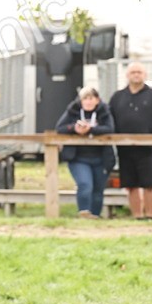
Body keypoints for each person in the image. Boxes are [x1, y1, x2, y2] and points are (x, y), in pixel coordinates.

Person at [108, 62, 152, 220]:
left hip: (147, 149)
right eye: (133, 72)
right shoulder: (117, 97)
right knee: (131, 185)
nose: (136, 75)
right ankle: (137, 216)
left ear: (145, 75)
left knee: (150, 184)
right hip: (125, 149)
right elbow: (109, 120)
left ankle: (150, 216)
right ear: (127, 75)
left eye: (139, 72)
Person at [55, 87, 115, 218]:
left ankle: (95, 216)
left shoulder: (104, 111)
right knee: (85, 184)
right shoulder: (73, 110)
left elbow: (109, 128)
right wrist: (74, 129)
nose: (88, 101)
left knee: (98, 189)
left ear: (97, 100)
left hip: (101, 157)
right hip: (78, 157)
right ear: (81, 101)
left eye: (91, 98)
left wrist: (91, 129)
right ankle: (84, 212)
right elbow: (60, 128)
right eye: (85, 99)